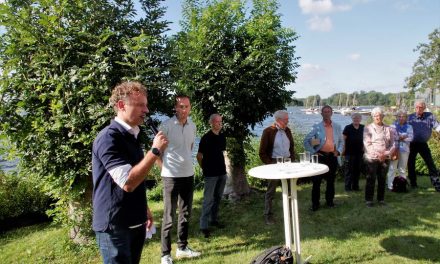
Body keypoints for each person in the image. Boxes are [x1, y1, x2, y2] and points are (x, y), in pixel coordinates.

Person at [92, 81, 168, 264]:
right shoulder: (108, 138)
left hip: (135, 221)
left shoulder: (132, 135)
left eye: (146, 105)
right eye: (140, 105)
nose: (146, 110)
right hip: (115, 226)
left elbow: (137, 175)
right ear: (121, 105)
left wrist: (144, 209)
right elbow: (127, 182)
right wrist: (155, 151)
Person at [158, 95, 200, 264]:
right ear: (175, 108)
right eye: (181, 106)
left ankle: (182, 248)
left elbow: (189, 148)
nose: (184, 110)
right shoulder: (166, 126)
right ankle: (165, 255)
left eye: (187, 106)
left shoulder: (193, 126)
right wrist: (165, 169)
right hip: (170, 177)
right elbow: (156, 151)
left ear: (190, 108)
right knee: (169, 217)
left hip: (188, 175)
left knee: (185, 214)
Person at [304, 105, 343, 211]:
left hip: (332, 157)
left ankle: (330, 202)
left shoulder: (337, 126)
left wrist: (338, 151)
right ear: (321, 114)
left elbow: (341, 141)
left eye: (328, 111)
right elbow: (306, 141)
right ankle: (315, 204)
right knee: (316, 181)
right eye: (324, 112)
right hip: (320, 157)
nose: (326, 113)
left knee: (331, 181)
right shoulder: (316, 126)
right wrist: (313, 152)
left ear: (331, 113)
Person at [259, 110, 295, 224]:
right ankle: (268, 215)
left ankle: (290, 212)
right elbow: (262, 152)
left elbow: (291, 148)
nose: (288, 121)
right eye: (286, 119)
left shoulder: (288, 130)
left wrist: (292, 160)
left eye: (287, 119)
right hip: (274, 163)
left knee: (291, 188)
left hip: (288, 162)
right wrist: (270, 165)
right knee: (271, 191)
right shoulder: (268, 131)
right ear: (278, 120)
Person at [197, 114, 227, 238]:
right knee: (208, 200)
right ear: (212, 123)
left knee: (218, 197)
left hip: (222, 172)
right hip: (210, 174)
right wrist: (204, 168)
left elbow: (222, 153)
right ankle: (203, 226)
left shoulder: (222, 136)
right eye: (217, 122)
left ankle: (213, 220)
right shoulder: (206, 138)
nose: (220, 124)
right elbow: (199, 156)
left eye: (221, 122)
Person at [363, 107, 396, 207]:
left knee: (382, 179)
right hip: (372, 158)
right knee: (371, 179)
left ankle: (381, 199)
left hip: (385, 158)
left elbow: (393, 144)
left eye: (380, 115)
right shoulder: (368, 128)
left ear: (383, 116)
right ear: (373, 117)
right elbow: (367, 144)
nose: (378, 117)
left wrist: (385, 154)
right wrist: (378, 155)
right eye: (376, 116)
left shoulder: (389, 128)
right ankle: (369, 200)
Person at [407, 100, 440, 191]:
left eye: (420, 107)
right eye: (417, 107)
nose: (418, 109)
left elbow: (437, 127)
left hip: (423, 144)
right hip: (411, 144)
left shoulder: (430, 116)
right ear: (414, 108)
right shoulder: (410, 118)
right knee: (410, 164)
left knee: (430, 163)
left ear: (424, 108)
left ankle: (437, 184)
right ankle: (413, 184)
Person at [386, 110, 413, 190]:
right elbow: (391, 138)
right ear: (397, 117)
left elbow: (411, 138)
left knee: (402, 169)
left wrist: (398, 137)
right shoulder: (392, 126)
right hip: (394, 150)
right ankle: (390, 186)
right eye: (399, 116)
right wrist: (403, 136)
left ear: (406, 117)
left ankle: (402, 186)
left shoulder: (409, 127)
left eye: (403, 116)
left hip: (405, 150)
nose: (401, 118)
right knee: (392, 168)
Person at [342, 113, 364, 191]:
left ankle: (355, 187)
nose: (356, 119)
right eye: (354, 118)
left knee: (357, 170)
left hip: (359, 153)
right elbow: (343, 139)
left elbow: (366, 139)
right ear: (352, 119)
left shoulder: (363, 127)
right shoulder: (348, 127)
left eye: (358, 118)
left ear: (360, 119)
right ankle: (347, 187)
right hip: (349, 152)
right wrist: (343, 149)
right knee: (349, 170)